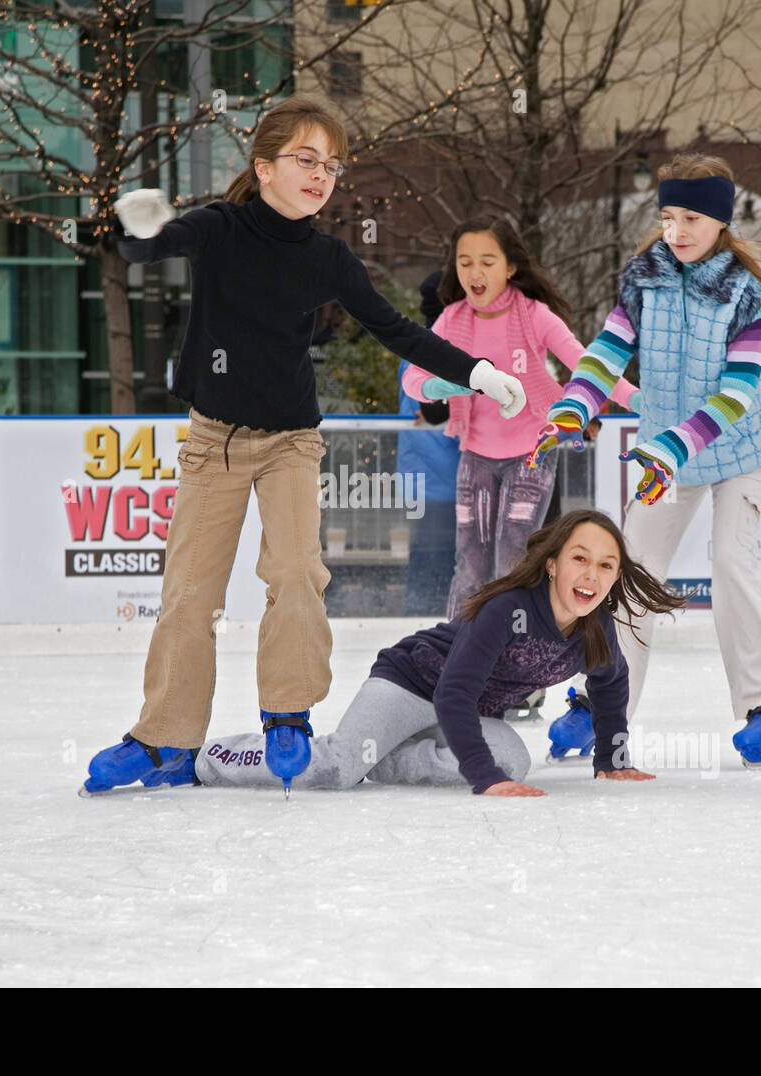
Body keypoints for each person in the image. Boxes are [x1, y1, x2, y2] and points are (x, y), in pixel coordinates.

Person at [82, 97, 528, 796]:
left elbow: (396, 330)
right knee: (189, 594)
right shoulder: (220, 228)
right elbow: (146, 245)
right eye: (305, 160)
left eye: (331, 164)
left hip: (290, 441)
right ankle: (164, 739)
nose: (322, 174)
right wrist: (129, 226)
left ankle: (286, 711)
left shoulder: (328, 258)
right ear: (263, 168)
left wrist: (476, 372)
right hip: (212, 442)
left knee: (294, 571)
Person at [529, 152, 761, 766]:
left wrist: (675, 445)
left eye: (691, 218)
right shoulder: (644, 278)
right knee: (628, 568)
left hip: (735, 447)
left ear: (720, 223)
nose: (676, 232)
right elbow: (606, 352)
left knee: (734, 564)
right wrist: (575, 405)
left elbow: (737, 389)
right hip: (668, 453)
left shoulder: (749, 295)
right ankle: (605, 702)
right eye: (667, 217)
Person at [163, 510, 686, 796]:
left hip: (459, 714)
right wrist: (484, 782)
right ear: (552, 564)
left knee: (513, 760)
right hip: (411, 683)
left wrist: (611, 761)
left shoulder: (595, 629)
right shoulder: (509, 610)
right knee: (339, 768)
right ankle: (217, 757)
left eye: (605, 565)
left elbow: (610, 685)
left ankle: (388, 760)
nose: (591, 575)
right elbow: (455, 691)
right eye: (580, 558)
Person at [400, 218, 634, 620]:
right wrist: (455, 385)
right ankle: (459, 654)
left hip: (532, 452)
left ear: (510, 268)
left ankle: (520, 665)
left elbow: (587, 364)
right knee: (470, 565)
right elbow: (413, 380)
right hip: (475, 454)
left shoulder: (532, 315)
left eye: (487, 262)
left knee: (514, 559)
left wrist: (639, 400)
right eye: (465, 262)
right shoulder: (452, 320)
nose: (475, 272)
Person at [397, 270, 460, 616]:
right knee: (439, 558)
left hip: (421, 479)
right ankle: (424, 621)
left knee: (427, 556)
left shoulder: (415, 345)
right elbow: (433, 414)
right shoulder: (442, 349)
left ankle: (418, 619)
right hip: (442, 480)